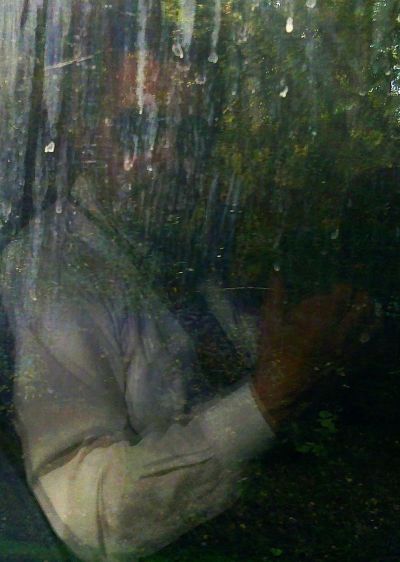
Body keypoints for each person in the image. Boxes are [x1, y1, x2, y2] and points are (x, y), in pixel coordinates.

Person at [0, 7, 375, 561]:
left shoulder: (179, 249)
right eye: (138, 128)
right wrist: (270, 398)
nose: (168, 156)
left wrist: (304, 349)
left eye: (191, 134)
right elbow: (84, 515)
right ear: (83, 133)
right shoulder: (54, 273)